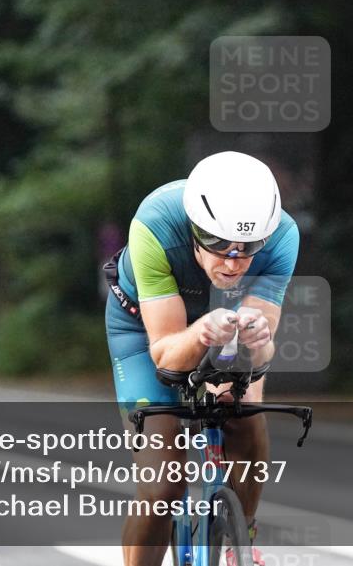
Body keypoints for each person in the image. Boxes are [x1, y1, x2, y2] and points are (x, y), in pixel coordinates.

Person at [104, 151, 300, 566]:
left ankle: (240, 535)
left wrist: (259, 337)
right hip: (144, 330)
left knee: (244, 410)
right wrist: (199, 333)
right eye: (218, 245)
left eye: (248, 248)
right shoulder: (155, 222)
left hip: (224, 322)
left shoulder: (283, 235)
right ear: (195, 229)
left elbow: (261, 356)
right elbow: (167, 357)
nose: (233, 262)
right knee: (163, 488)